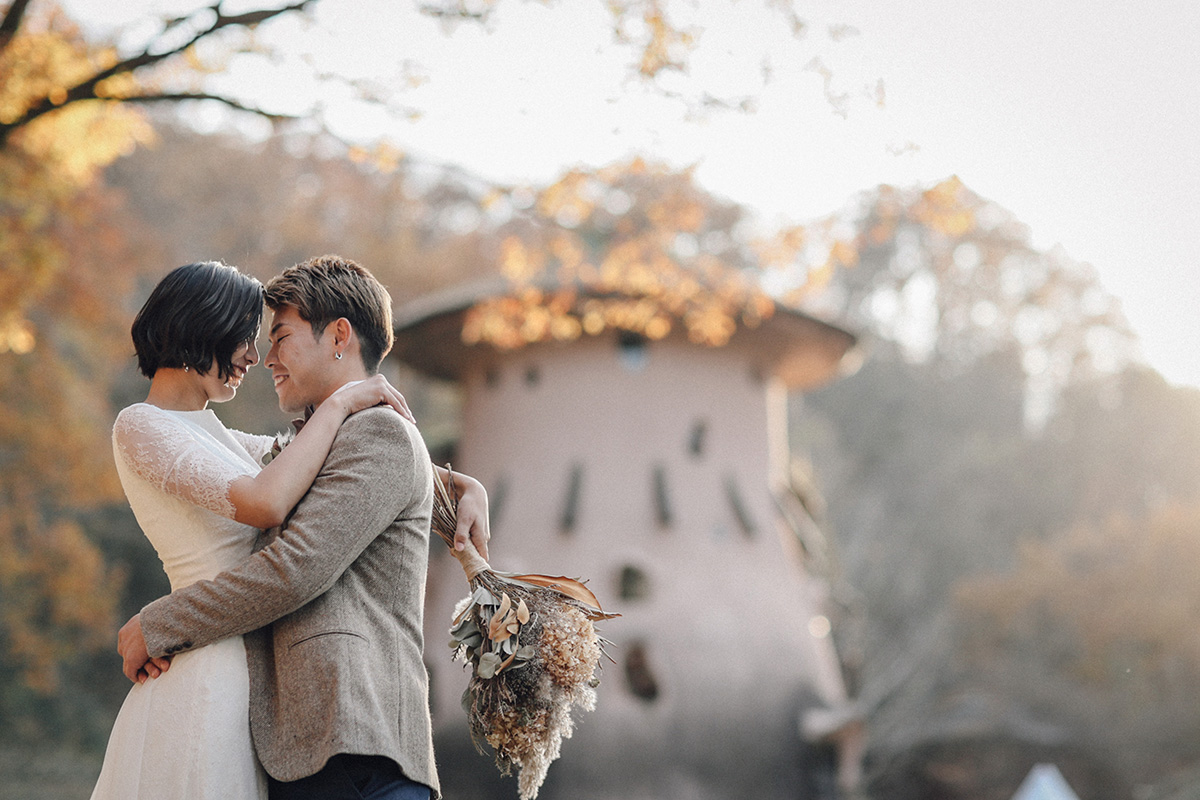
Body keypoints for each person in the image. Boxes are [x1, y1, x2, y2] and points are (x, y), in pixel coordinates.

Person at [95, 258, 487, 800]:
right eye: (249, 338)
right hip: (245, 694)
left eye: (276, 338)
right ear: (200, 325)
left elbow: (297, 539)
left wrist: (459, 486)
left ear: (338, 338)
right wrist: (346, 401)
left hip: (344, 734)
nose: (259, 357)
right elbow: (280, 482)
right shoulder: (147, 425)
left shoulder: (250, 438)